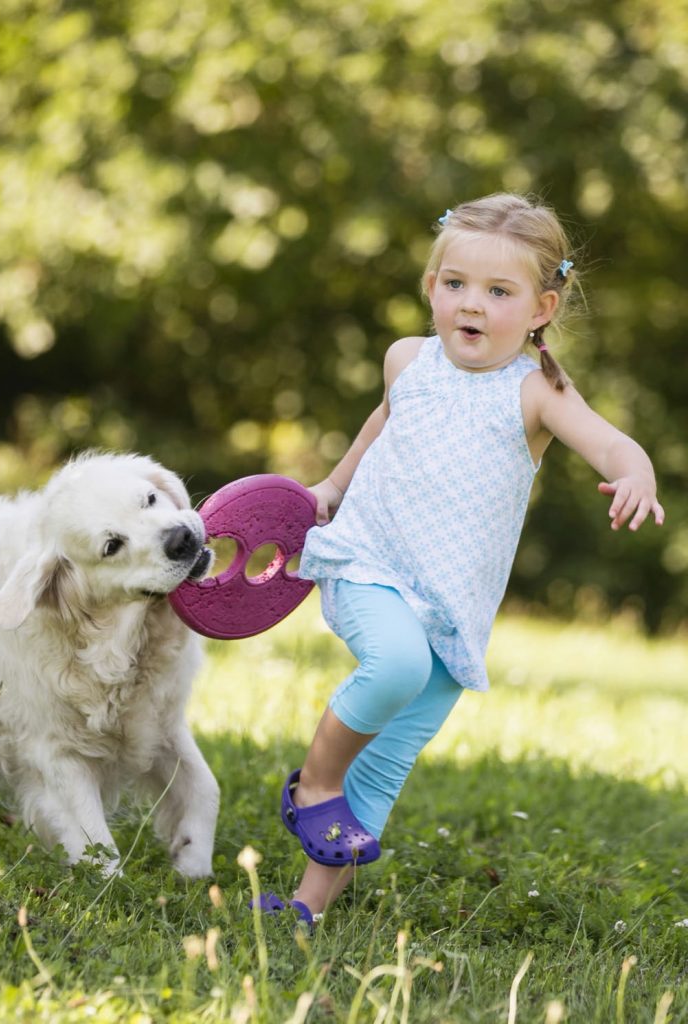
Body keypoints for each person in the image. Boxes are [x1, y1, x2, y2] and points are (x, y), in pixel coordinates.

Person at [253, 192, 665, 929]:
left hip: (451, 606)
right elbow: (380, 427)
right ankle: (314, 784)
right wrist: (331, 489)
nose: (471, 305)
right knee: (394, 666)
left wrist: (635, 473)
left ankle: (306, 911)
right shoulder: (408, 359)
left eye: (498, 292)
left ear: (541, 307)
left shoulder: (536, 395)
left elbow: (611, 443)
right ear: (431, 287)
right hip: (370, 563)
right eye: (455, 285)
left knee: (385, 763)